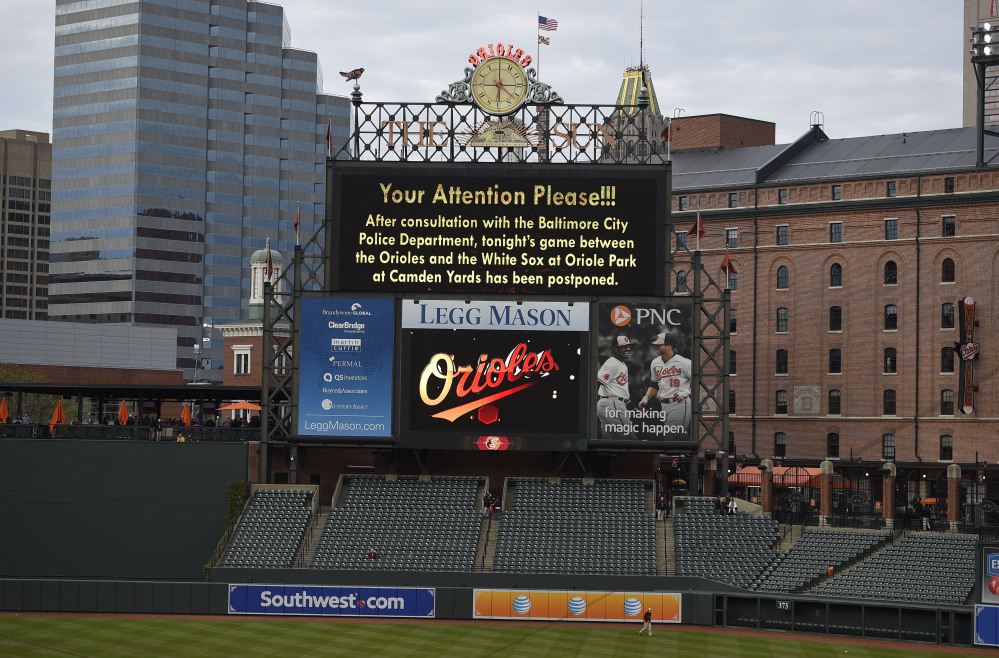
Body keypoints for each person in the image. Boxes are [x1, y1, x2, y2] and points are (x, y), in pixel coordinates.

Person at [639, 331, 692, 435]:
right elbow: (654, 385)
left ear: (669, 346)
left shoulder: (685, 362)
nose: (656, 347)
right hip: (663, 405)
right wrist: (646, 397)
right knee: (677, 440)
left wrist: (687, 392)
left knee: (671, 439)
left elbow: (699, 381)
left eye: (659, 345)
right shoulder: (655, 363)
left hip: (679, 404)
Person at [596, 336, 635, 439]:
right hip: (612, 403)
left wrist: (632, 406)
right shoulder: (612, 363)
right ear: (615, 349)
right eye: (623, 347)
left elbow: (619, 390)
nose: (627, 349)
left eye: (628, 346)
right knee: (630, 439)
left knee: (612, 442)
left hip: (610, 403)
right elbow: (598, 381)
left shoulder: (622, 364)